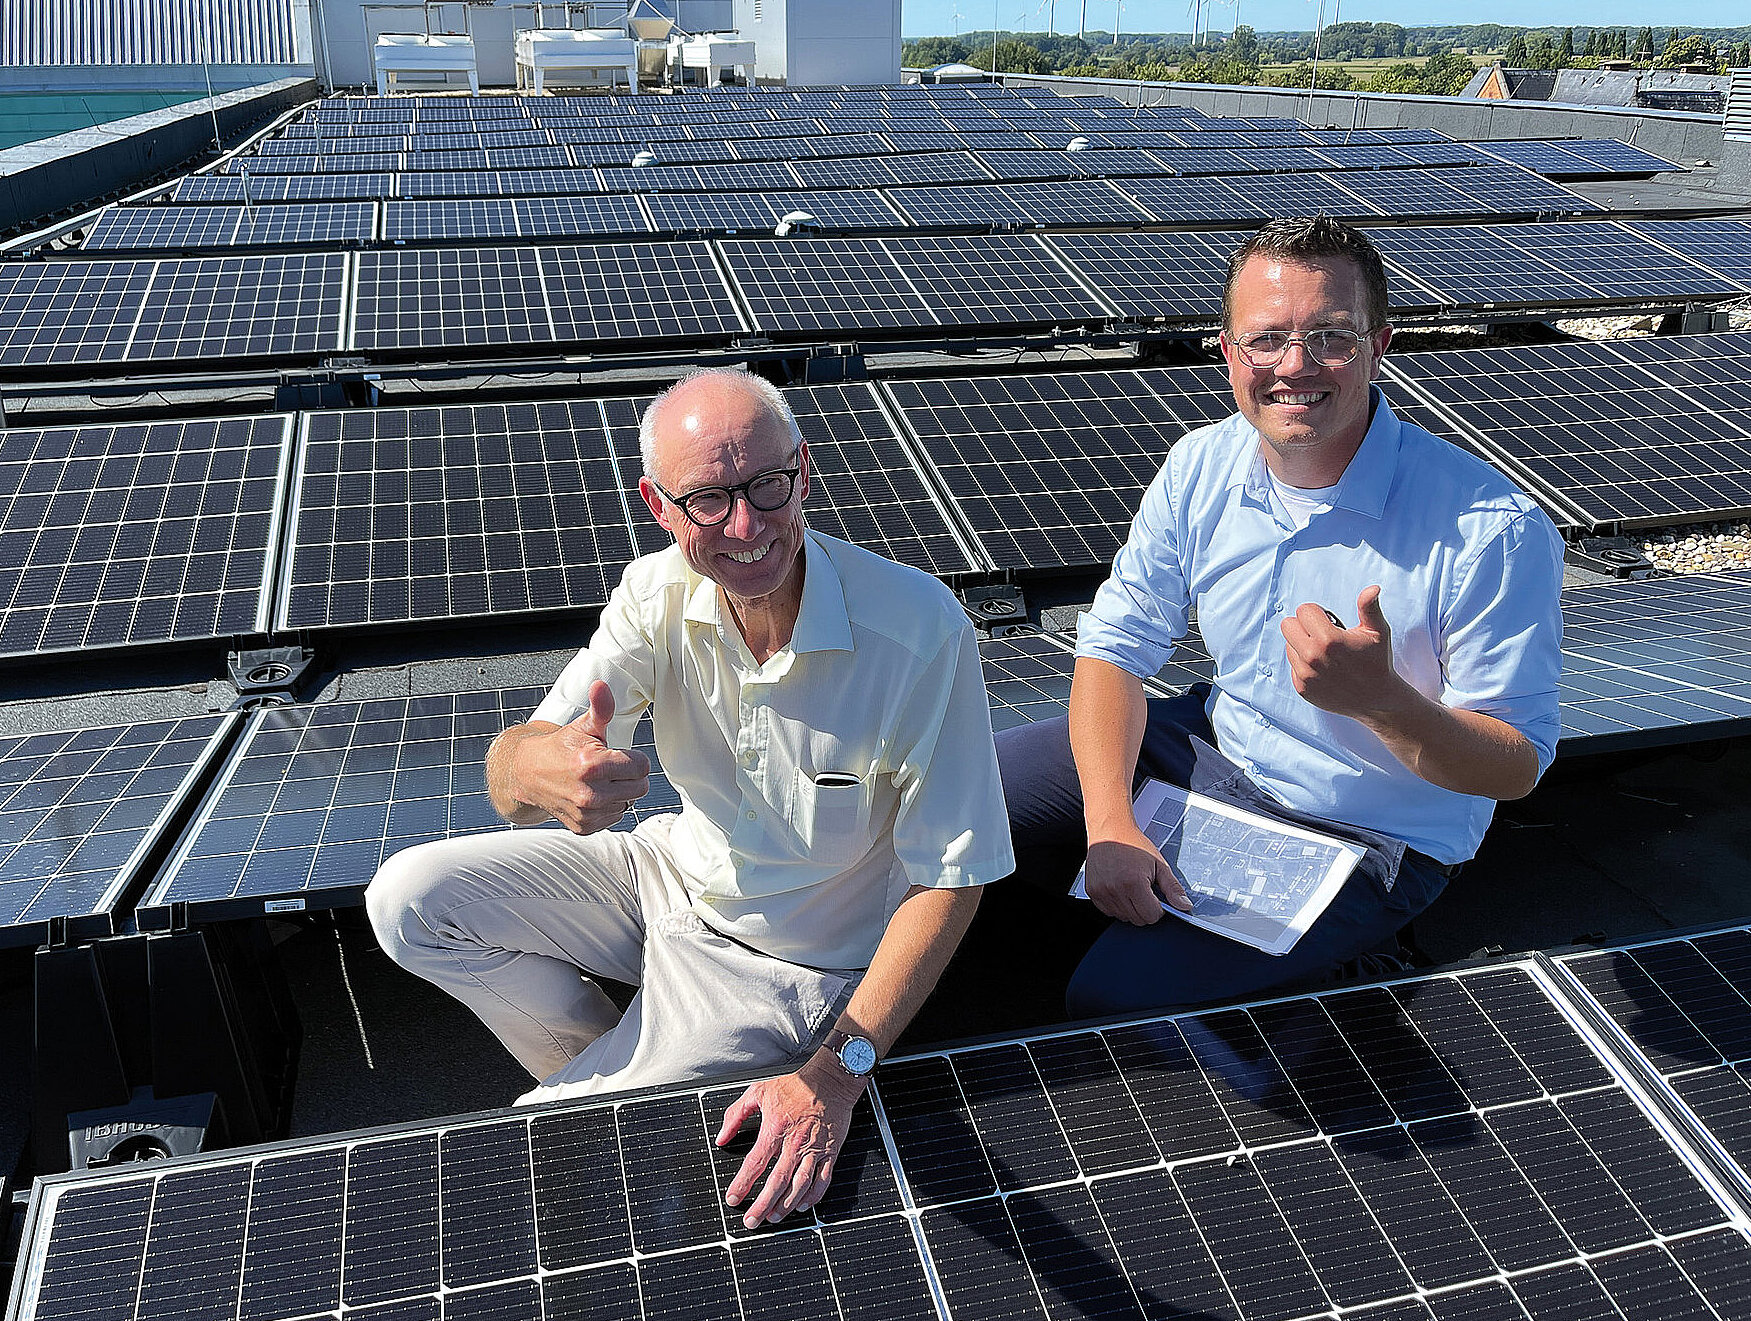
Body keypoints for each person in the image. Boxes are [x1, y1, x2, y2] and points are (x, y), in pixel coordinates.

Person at [367, 367, 1011, 1227]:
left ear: (805, 470)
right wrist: (535, 775)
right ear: (657, 504)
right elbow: (517, 765)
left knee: (536, 1146)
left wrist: (836, 1071)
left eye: (767, 486)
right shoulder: (652, 592)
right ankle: (616, 1067)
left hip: (787, 964)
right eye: (707, 499)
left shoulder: (918, 632)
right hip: (668, 871)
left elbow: (951, 880)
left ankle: (610, 1087)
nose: (746, 526)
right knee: (405, 901)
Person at [1000, 215, 1563, 1018]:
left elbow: (1514, 766)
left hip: (1363, 833)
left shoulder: (1489, 530)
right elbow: (1113, 650)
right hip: (1219, 748)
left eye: (1331, 335)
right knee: (957, 791)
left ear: (1380, 345)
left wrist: (1383, 703)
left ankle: (1348, 968)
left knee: (1112, 996)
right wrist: (1110, 822)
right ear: (1227, 351)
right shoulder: (1203, 463)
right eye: (1266, 339)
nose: (1294, 366)